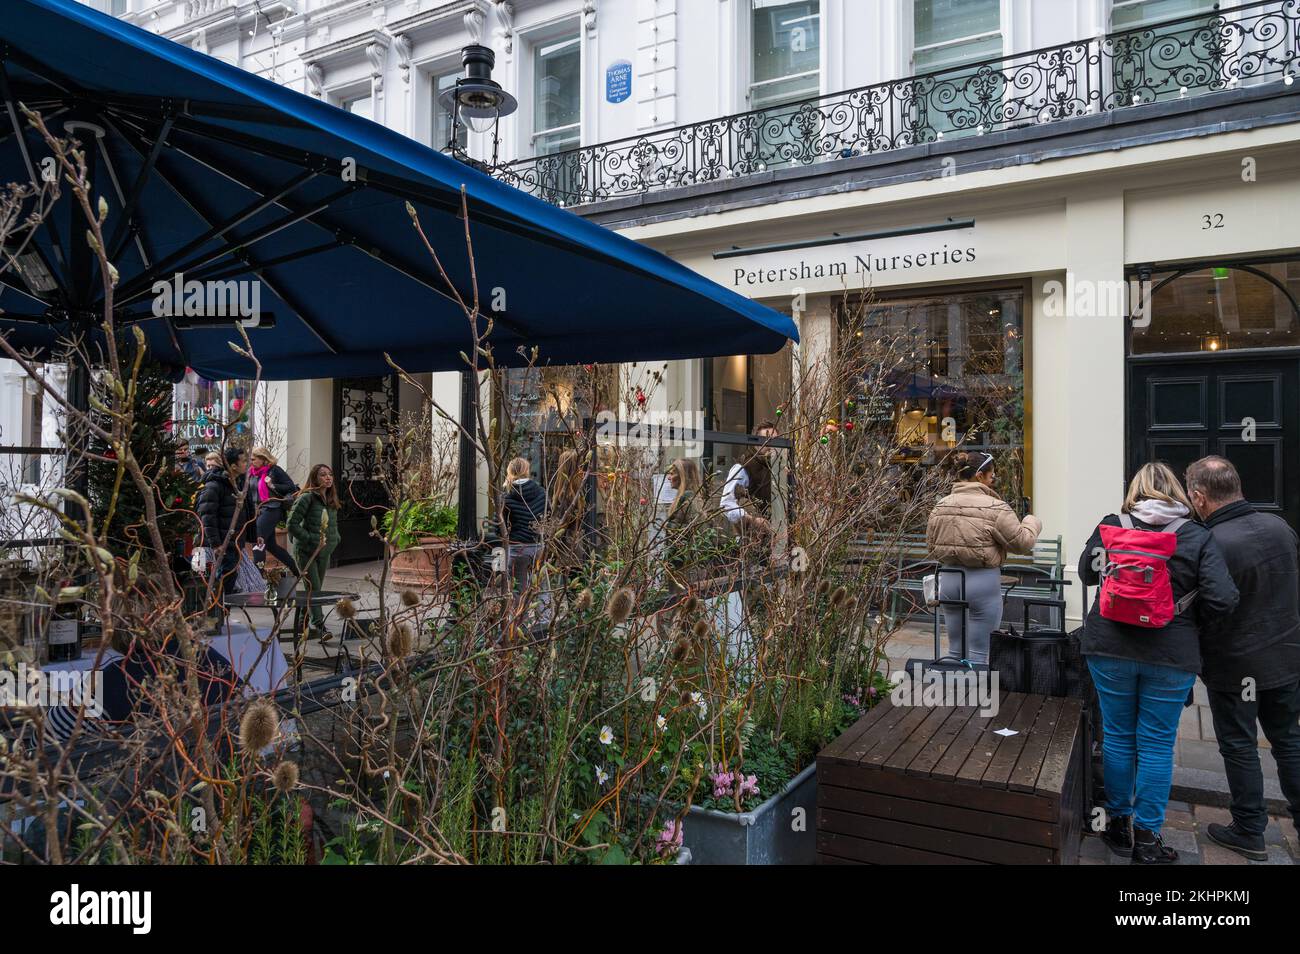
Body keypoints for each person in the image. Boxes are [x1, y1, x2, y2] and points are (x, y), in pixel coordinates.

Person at [1078, 462, 1239, 864]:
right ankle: (1148, 841)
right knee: (1156, 745)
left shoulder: (1112, 524)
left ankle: (1118, 826)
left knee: (1116, 736)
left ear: (1135, 491)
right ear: (1179, 493)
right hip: (1170, 654)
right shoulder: (1196, 535)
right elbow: (1223, 599)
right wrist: (1186, 620)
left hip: (1109, 647)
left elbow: (1085, 573)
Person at [1185, 455, 1300, 860]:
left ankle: (1249, 829)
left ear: (1199, 497)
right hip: (1286, 657)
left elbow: (1209, 607)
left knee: (1239, 746)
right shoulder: (1281, 528)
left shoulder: (1211, 542)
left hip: (1235, 664)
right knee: (1289, 742)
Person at [926, 451, 1041, 665]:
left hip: (949, 579)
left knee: (954, 651)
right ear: (979, 476)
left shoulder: (940, 505)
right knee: (980, 653)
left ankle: (953, 695)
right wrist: (1032, 522)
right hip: (982, 582)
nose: (992, 482)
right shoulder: (995, 507)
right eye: (991, 477)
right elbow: (1022, 543)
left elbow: (931, 545)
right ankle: (977, 697)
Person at [286, 464, 341, 639]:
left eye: (330, 474)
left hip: (324, 552)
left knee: (314, 588)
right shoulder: (307, 498)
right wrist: (310, 538)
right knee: (314, 590)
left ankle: (302, 624)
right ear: (315, 478)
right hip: (305, 552)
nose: (328, 478)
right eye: (323, 475)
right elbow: (291, 524)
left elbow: (333, 524)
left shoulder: (331, 499)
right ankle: (320, 626)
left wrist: (336, 538)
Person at [195, 447, 255, 604]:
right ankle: (216, 612)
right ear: (233, 466)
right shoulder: (214, 486)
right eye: (243, 461)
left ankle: (222, 614)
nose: (247, 464)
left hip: (235, 541)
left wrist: (253, 536)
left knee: (230, 577)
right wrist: (216, 543)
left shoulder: (241, 483)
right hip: (223, 542)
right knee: (224, 578)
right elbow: (207, 516)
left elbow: (247, 511)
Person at [247, 446, 300, 577]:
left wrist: (272, 486)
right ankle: (295, 569)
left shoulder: (274, 470)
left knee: (257, 540)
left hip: (271, 508)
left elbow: (291, 487)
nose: (251, 462)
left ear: (263, 459)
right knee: (271, 546)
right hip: (258, 510)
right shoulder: (251, 472)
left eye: (253, 459)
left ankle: (258, 577)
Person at [720, 421, 776, 540]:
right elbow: (726, 504)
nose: (772, 445)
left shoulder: (780, 466)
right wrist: (753, 520)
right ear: (756, 443)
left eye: (775, 440)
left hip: (779, 534)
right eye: (767, 440)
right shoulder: (743, 467)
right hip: (753, 538)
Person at [501, 457, 547, 593]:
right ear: (527, 471)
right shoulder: (541, 492)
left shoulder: (506, 496)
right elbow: (548, 518)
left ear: (509, 472)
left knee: (517, 591)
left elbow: (499, 526)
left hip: (517, 548)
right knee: (541, 589)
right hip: (538, 546)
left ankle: (519, 614)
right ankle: (545, 614)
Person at [663, 457, 704, 571]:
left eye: (672, 474)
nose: (668, 478)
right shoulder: (685, 498)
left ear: (682, 476)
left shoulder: (688, 499)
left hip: (683, 567)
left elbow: (695, 533)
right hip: (679, 564)